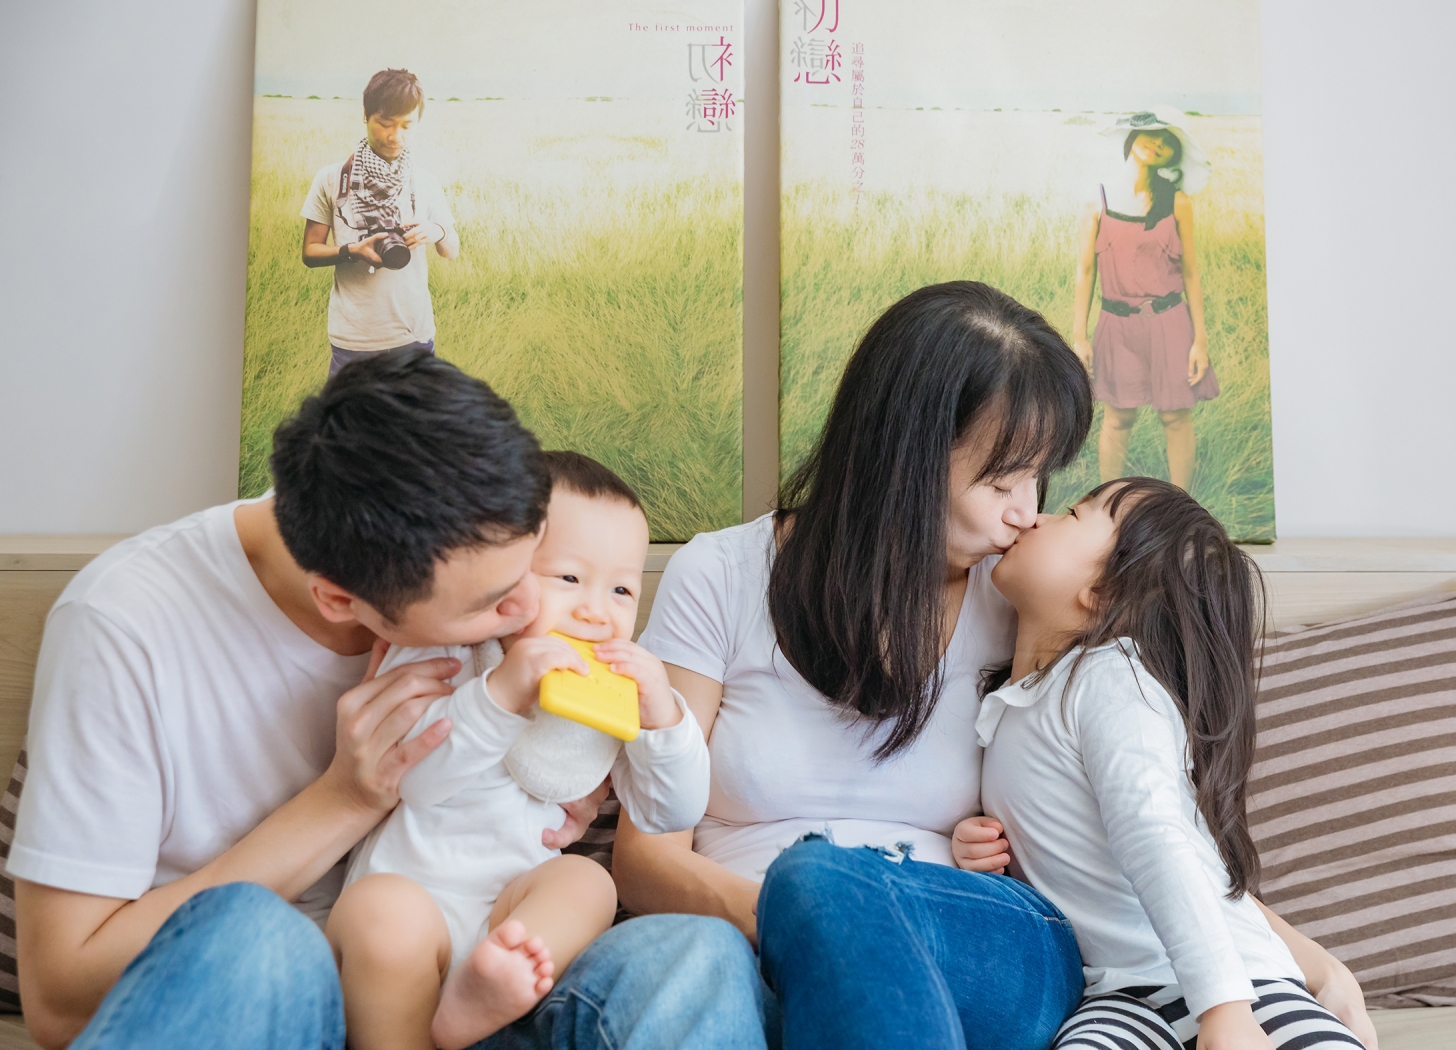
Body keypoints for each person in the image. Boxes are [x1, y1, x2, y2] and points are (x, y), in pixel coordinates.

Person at [9, 352, 764, 1050]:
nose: (530, 614)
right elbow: (57, 999)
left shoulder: (451, 532)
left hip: (480, 978)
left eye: (533, 567)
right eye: (494, 603)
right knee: (254, 935)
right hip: (270, 1000)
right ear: (342, 602)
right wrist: (346, 798)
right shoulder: (125, 627)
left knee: (697, 954)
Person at [618, 281, 1096, 1050]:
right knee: (718, 950)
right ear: (902, 457)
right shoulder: (723, 574)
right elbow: (645, 859)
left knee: (819, 879)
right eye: (1001, 480)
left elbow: (1142, 803)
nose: (1026, 511)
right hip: (745, 945)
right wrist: (810, 926)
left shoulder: (1021, 599)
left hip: (968, 949)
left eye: (1038, 478)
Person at [952, 478, 1378, 1050]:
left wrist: (1225, 1008)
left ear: (1101, 592)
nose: (1036, 517)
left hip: (1242, 980)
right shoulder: (1013, 701)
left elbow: (1157, 838)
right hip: (1117, 994)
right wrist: (982, 854)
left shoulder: (1111, 678)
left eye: (1071, 514)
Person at [331, 452, 711, 1050]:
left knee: (587, 881)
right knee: (381, 914)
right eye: (569, 579)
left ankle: (487, 992)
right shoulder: (445, 652)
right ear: (501, 573)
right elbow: (414, 780)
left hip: (508, 921)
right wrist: (502, 694)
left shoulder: (612, 696)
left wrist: (662, 717)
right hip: (409, 898)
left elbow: (673, 811)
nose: (595, 610)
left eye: (621, 589)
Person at [1071, 108, 1219, 491]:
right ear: (1130, 138)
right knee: (1118, 418)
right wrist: (1079, 336)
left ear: (1173, 155)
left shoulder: (1178, 202)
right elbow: (1085, 271)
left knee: (1175, 418)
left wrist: (1200, 340)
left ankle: (1181, 508)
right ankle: (1108, 504)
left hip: (1170, 321)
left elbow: (1191, 274)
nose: (1157, 143)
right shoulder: (1097, 200)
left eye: (1167, 141)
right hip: (1116, 324)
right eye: (1151, 133)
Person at [301, 68, 459, 378]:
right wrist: (351, 251)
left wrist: (436, 230)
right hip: (352, 338)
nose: (395, 136)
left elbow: (451, 250)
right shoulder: (332, 179)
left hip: (413, 335)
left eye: (406, 125)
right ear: (365, 115)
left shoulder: (425, 182)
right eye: (385, 123)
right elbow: (310, 252)